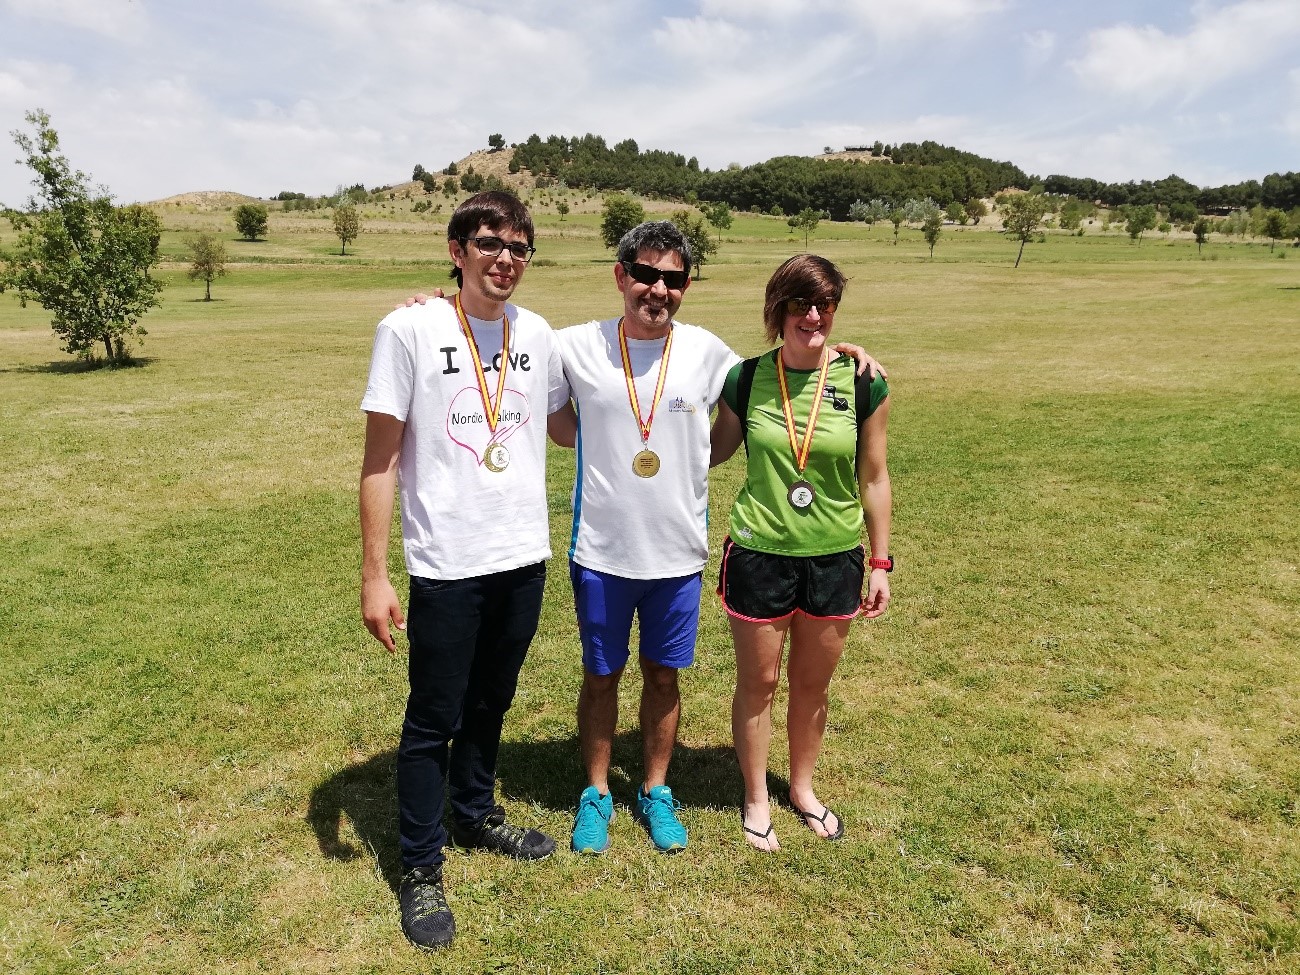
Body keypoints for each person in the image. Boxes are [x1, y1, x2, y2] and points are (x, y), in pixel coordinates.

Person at [555, 224, 884, 857]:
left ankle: (655, 790)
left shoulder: (709, 353)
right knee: (601, 675)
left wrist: (838, 352)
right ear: (620, 274)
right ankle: (596, 792)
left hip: (678, 554)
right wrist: (438, 304)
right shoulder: (571, 345)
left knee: (663, 677)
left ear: (685, 287)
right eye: (646, 274)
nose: (658, 288)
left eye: (673, 279)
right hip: (600, 549)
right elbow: (504, 344)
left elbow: (786, 370)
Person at [359, 191, 570, 950]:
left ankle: (474, 811)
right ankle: (419, 865)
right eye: (489, 243)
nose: (505, 259)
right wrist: (375, 575)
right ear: (457, 249)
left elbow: (569, 414)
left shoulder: (537, 333)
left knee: (492, 701)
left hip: (522, 555)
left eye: (519, 247)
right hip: (447, 563)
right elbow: (380, 458)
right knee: (432, 719)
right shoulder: (408, 328)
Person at [709, 254, 892, 852]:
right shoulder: (745, 378)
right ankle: (757, 793)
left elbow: (874, 478)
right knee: (759, 681)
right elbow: (712, 452)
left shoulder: (864, 381)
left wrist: (881, 561)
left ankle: (803, 789)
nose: (813, 316)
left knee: (813, 685)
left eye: (825, 304)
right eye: (798, 304)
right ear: (777, 311)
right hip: (760, 551)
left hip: (836, 555)